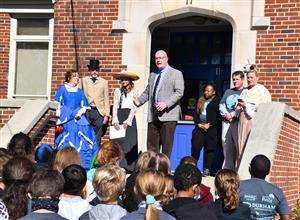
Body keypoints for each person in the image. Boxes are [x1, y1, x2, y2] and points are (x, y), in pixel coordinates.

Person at [134, 50, 184, 158]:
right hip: (153, 115)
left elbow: (179, 92)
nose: (158, 60)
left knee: (166, 147)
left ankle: (164, 172)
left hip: (168, 115)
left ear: (166, 59)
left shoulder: (176, 73)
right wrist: (139, 101)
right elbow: (148, 92)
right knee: (151, 146)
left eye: (161, 58)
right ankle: (152, 171)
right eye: (156, 58)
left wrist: (166, 103)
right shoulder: (153, 75)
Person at [54, 69, 99, 170]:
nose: (77, 78)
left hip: (79, 120)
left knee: (86, 138)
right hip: (66, 119)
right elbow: (57, 104)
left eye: (78, 76)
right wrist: (65, 114)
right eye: (74, 76)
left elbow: (84, 105)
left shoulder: (79, 91)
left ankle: (84, 164)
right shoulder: (62, 89)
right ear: (69, 78)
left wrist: (79, 112)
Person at [236, 67, 271, 167]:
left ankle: (250, 166)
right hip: (242, 119)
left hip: (253, 119)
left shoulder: (262, 90)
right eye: (248, 77)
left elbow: (266, 105)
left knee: (249, 143)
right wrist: (239, 106)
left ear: (257, 78)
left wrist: (247, 105)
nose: (249, 79)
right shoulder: (245, 90)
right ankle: (240, 167)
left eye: (252, 77)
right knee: (241, 144)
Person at [239, 155, 291, 219]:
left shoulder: (238, 186)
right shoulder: (277, 191)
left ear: (249, 169)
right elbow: (286, 218)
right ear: (268, 172)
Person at [191, 82, 221, 176]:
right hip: (199, 128)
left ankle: (207, 169)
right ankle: (194, 167)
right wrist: (198, 123)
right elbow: (195, 114)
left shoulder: (218, 100)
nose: (206, 92)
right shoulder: (200, 99)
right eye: (205, 90)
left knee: (209, 149)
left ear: (214, 92)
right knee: (196, 147)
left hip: (211, 130)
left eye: (209, 91)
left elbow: (219, 116)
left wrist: (210, 124)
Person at [112, 71, 139, 172]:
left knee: (129, 141)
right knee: (118, 142)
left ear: (130, 81)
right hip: (119, 115)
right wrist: (115, 120)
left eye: (125, 79)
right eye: (122, 79)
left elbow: (134, 107)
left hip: (129, 117)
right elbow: (115, 105)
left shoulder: (135, 91)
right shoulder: (117, 91)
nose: (123, 81)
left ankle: (128, 166)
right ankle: (117, 165)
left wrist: (128, 121)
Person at [80, 59, 110, 146]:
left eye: (96, 70)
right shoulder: (83, 81)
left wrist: (106, 115)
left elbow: (106, 99)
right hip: (87, 111)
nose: (95, 72)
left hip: (98, 112)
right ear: (89, 70)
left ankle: (95, 158)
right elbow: (80, 96)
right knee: (85, 135)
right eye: (93, 69)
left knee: (97, 137)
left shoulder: (104, 82)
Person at [219, 71, 245, 170]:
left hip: (238, 122)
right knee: (226, 143)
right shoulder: (228, 91)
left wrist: (233, 115)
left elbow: (243, 107)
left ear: (242, 79)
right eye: (233, 79)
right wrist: (226, 114)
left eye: (237, 79)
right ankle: (227, 168)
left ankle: (238, 168)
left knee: (238, 144)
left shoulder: (245, 92)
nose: (235, 81)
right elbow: (221, 104)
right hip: (226, 121)